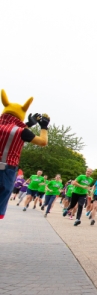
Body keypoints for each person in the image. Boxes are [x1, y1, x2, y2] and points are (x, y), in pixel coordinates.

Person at [0, 90, 49, 220]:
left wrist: (28, 125)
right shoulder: (21, 131)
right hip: (5, 170)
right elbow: (42, 142)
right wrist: (43, 127)